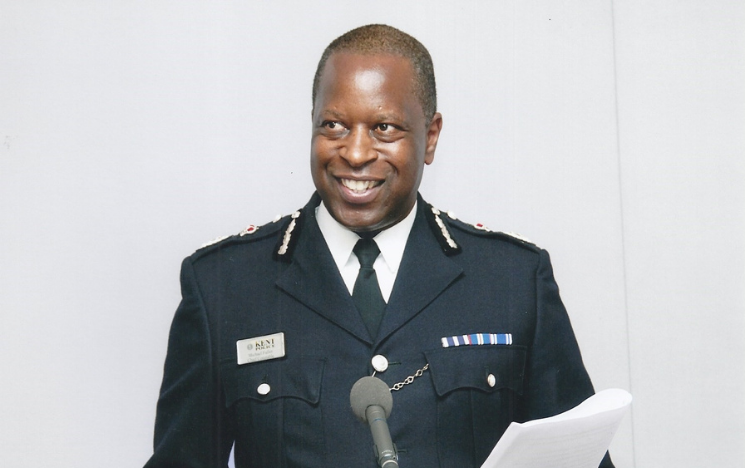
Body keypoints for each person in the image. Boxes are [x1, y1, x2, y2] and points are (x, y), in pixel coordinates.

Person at [144, 24, 613, 468]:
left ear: (430, 137)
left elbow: (579, 459)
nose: (355, 152)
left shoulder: (511, 280)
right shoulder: (225, 286)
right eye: (334, 125)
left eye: (384, 128)